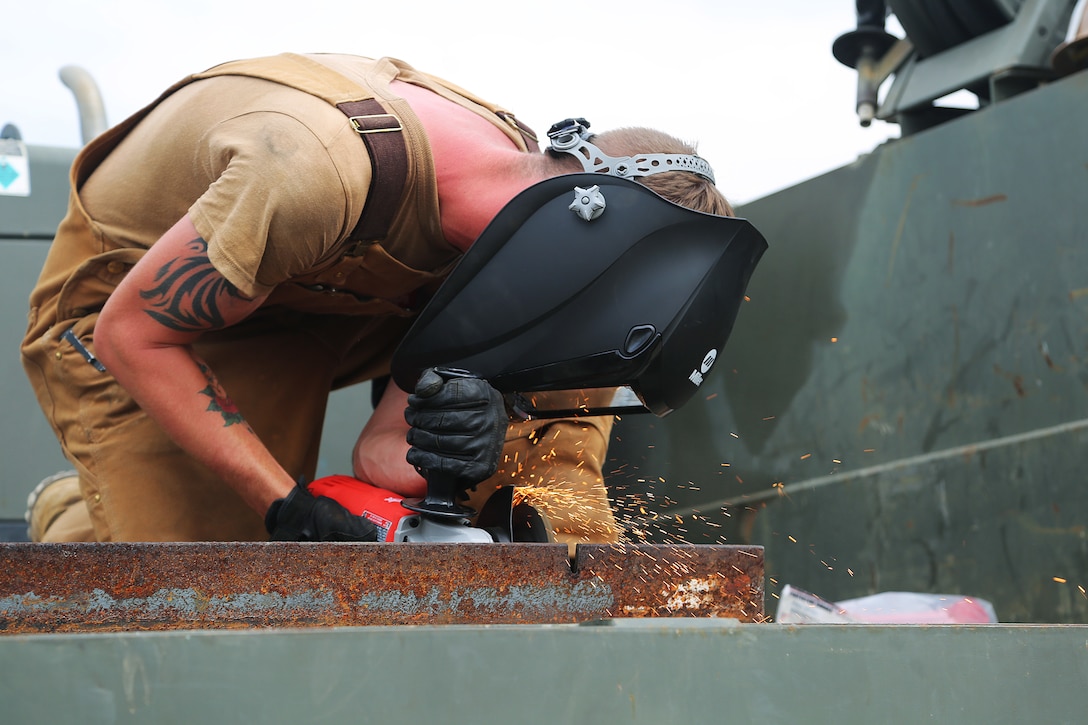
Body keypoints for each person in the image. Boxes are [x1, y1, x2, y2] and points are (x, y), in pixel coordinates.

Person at [21, 52, 732, 544]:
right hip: (149, 313)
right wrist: (284, 504)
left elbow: (381, 450)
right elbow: (131, 336)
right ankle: (73, 519)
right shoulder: (310, 170)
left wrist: (467, 451)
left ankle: (576, 572)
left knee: (570, 361)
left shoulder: (513, 230)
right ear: (585, 217)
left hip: (342, 297)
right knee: (214, 586)